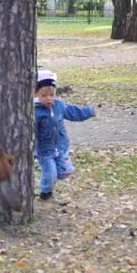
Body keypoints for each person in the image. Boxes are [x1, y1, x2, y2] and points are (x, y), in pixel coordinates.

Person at [34, 69, 96, 201]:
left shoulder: (59, 105)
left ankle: (59, 174)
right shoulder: (36, 112)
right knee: (50, 173)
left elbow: (73, 113)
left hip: (60, 145)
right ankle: (45, 193)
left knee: (65, 171)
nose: (49, 98)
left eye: (51, 94)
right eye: (44, 95)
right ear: (36, 94)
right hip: (44, 150)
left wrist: (88, 111)